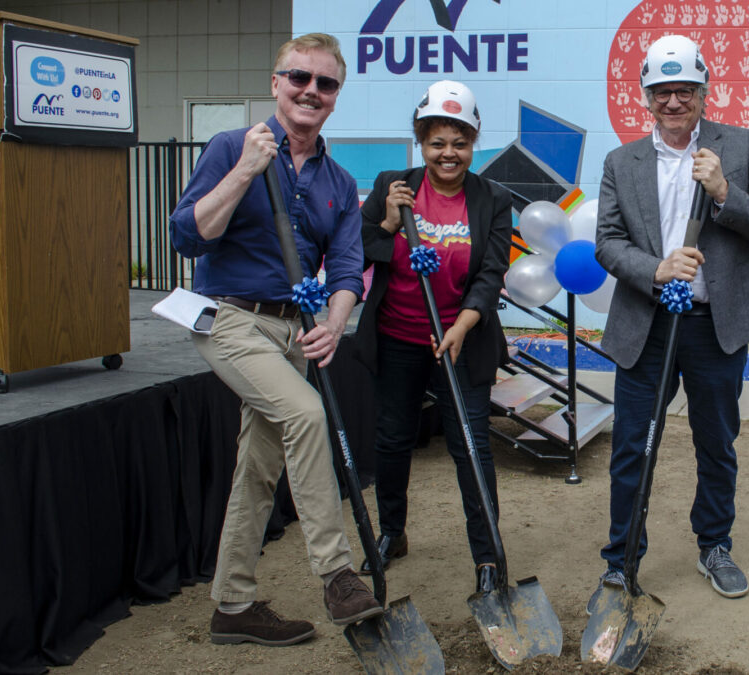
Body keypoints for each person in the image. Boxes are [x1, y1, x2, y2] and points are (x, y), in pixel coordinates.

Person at [169, 33, 382, 646]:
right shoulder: (231, 147)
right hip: (230, 319)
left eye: (326, 83)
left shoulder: (340, 184)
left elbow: (345, 273)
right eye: (299, 78)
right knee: (307, 413)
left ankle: (232, 606)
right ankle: (339, 575)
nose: (310, 90)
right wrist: (244, 172)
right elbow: (189, 236)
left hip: (294, 328)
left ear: (336, 98)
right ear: (276, 84)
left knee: (258, 469)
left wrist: (336, 321)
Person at [593, 35, 749, 599]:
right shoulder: (620, 161)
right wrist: (656, 267)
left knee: (716, 441)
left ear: (705, 92)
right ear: (647, 97)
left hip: (715, 325)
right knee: (633, 443)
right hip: (647, 325)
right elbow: (607, 242)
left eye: (685, 90)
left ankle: (714, 546)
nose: (673, 101)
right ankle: (620, 559)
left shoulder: (740, 146)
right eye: (662, 91)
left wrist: (725, 191)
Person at [354, 80, 512, 593]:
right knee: (393, 439)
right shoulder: (392, 185)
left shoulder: (491, 198)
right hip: (399, 335)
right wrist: (386, 223)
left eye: (460, 142)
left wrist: (463, 324)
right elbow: (357, 248)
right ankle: (392, 533)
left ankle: (488, 558)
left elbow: (491, 272)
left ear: (474, 143)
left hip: (461, 338)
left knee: (472, 446)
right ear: (421, 143)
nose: (449, 153)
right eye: (437, 142)